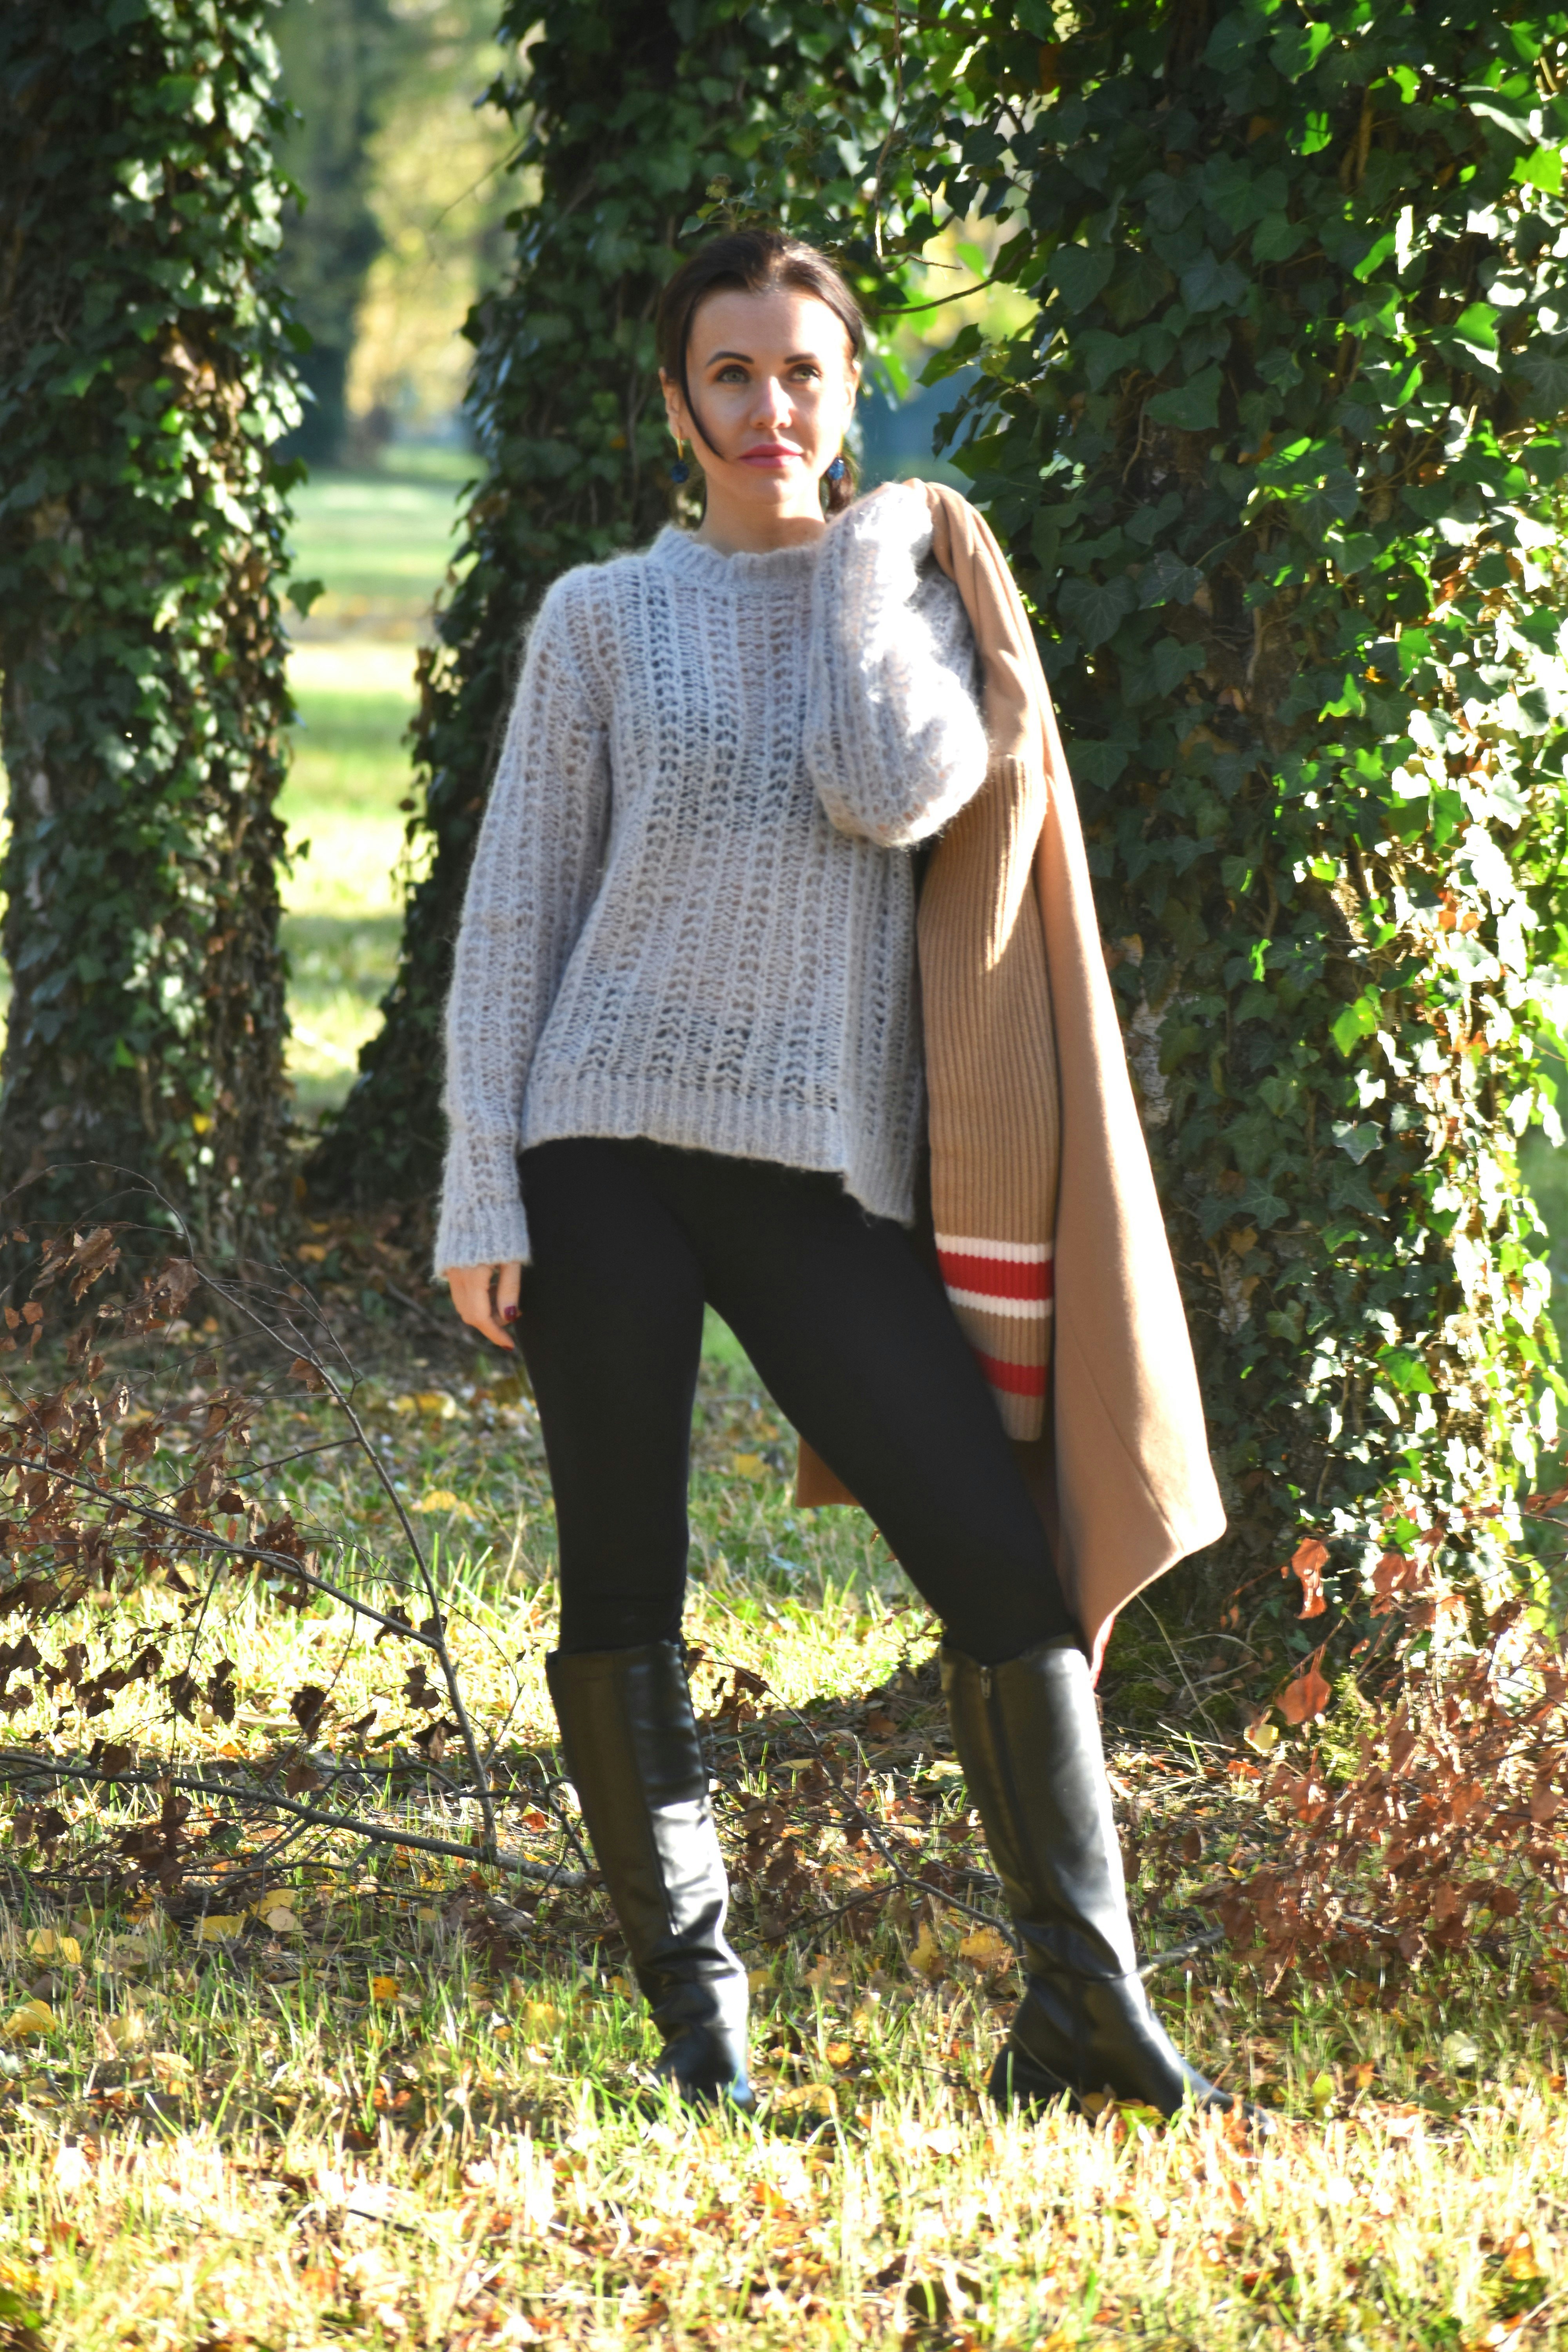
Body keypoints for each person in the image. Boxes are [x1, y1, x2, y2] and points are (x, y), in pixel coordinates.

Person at [436, 228, 1234, 2122]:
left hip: (818, 1173)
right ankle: (701, 2032)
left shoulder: (925, 603)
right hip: (601, 1143)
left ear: (845, 394)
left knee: (998, 1566)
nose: (766, 408)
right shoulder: (600, 620)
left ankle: (1080, 2009)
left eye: (802, 373)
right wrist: (484, 1180)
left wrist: (869, 554)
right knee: (623, 1582)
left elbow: (888, 791)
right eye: (730, 375)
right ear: (677, 406)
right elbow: (517, 910)